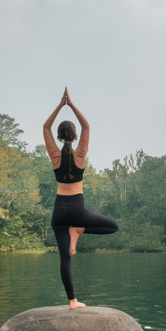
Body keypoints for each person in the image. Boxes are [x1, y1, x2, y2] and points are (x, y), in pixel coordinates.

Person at [43, 88, 119, 308]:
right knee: (113, 227)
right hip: (77, 211)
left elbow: (45, 127)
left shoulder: (55, 155)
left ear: (59, 137)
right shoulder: (80, 155)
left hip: (58, 213)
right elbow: (86, 126)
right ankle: (79, 229)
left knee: (65, 259)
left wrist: (60, 105)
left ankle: (72, 301)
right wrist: (71, 104)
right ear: (75, 137)